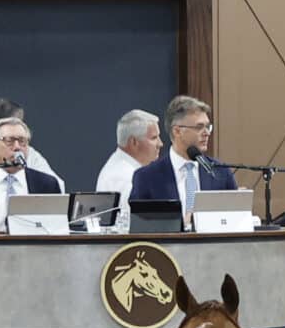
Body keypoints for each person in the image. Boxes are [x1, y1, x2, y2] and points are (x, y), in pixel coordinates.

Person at [130, 95, 236, 227]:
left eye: (208, 127)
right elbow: (139, 227)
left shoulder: (221, 173)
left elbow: (234, 223)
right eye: (199, 127)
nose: (206, 133)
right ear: (177, 131)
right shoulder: (146, 177)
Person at [95, 109, 163, 232]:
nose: (160, 143)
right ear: (134, 142)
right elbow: (136, 225)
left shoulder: (122, 166)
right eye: (154, 138)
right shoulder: (124, 175)